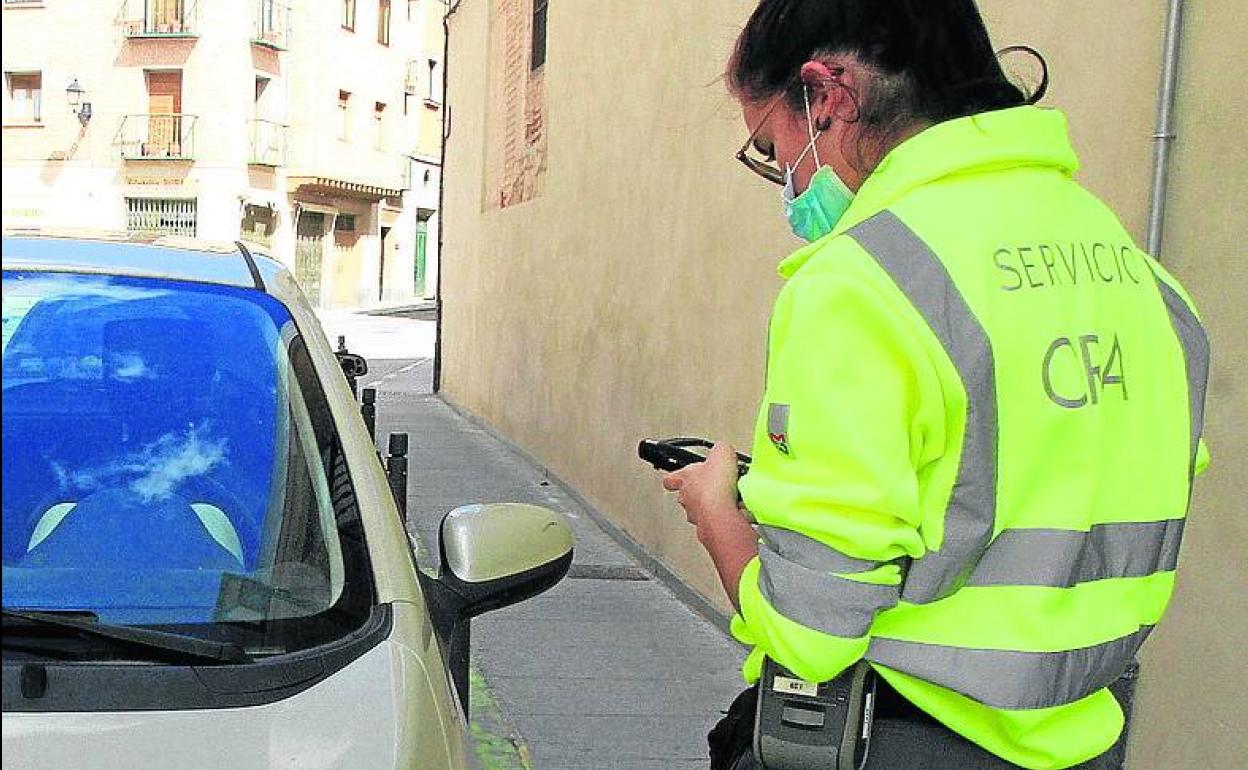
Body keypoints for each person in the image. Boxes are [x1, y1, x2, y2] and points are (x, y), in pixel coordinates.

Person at [659, 1, 1211, 768]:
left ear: (829, 97)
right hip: (1087, 735)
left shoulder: (862, 284)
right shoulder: (1140, 277)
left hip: (901, 737)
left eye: (770, 148)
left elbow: (811, 636)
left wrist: (720, 513)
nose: (783, 181)